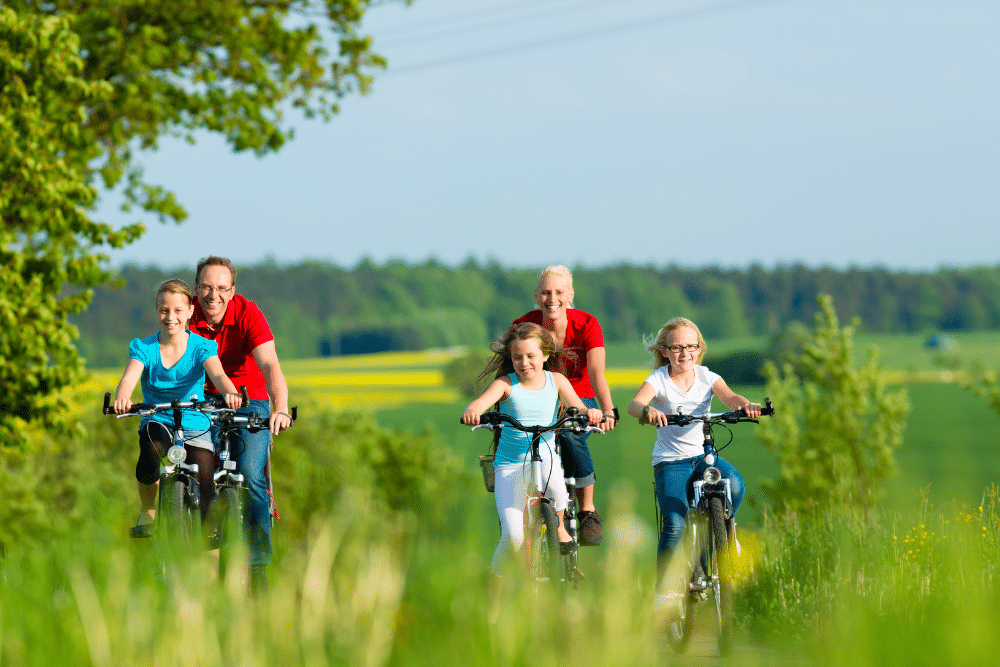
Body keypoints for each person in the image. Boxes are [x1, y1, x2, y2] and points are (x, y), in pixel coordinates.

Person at [626, 317, 761, 606]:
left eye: (691, 346)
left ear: (699, 349)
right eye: (676, 348)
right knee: (675, 523)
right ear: (664, 351)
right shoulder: (659, 379)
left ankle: (724, 530)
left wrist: (745, 405)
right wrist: (647, 411)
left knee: (734, 484)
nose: (684, 353)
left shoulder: (707, 377)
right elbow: (634, 404)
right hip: (671, 462)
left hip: (704, 456)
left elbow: (730, 397)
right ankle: (663, 590)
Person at [461, 323, 603, 573]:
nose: (524, 362)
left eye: (530, 356)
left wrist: (589, 413)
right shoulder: (505, 384)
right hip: (510, 465)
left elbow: (578, 407)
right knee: (513, 537)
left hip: (546, 458)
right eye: (517, 357)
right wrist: (473, 412)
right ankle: (495, 583)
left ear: (546, 355)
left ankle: (558, 528)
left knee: (559, 492)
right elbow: (480, 403)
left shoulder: (556, 380)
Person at [188, 256, 293, 591]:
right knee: (190, 470)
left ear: (232, 291)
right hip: (199, 401)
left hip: (250, 401)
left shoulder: (248, 314)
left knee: (250, 474)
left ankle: (258, 566)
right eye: (206, 286)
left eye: (221, 288)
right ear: (195, 288)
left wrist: (281, 407)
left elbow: (271, 364)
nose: (212, 294)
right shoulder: (184, 313)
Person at [113, 279, 243, 538]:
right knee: (151, 452)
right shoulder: (144, 347)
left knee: (205, 474)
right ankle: (148, 509)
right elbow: (129, 378)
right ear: (157, 311)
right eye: (164, 310)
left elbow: (217, 375)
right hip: (157, 415)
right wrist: (122, 398)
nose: (170, 317)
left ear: (190, 312)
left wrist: (231, 393)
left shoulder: (201, 347)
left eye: (177, 310)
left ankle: (208, 528)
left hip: (194, 418)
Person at [512, 265, 617, 546]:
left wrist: (607, 410)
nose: (552, 299)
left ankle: (587, 509)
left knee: (571, 437)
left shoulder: (587, 324)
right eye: (545, 292)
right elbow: (508, 369)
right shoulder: (524, 325)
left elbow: (596, 372)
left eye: (559, 292)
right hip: (537, 395)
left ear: (570, 294)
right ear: (536, 295)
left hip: (579, 398)